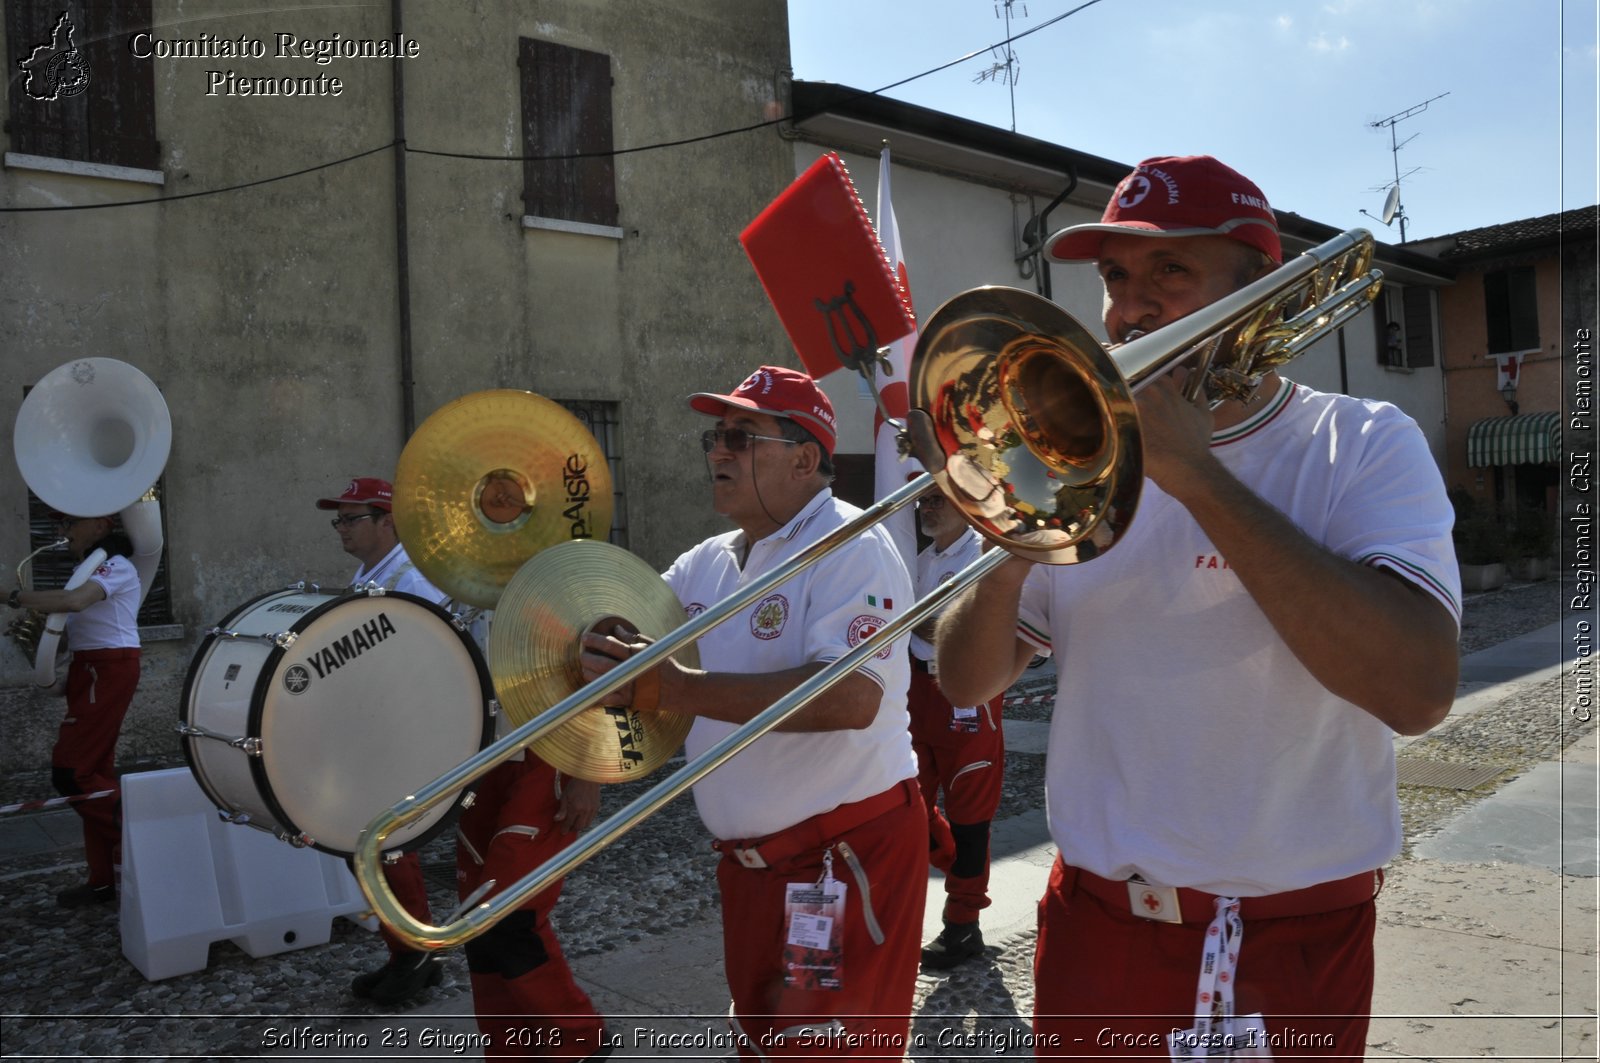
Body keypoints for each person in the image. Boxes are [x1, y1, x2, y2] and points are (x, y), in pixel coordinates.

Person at [933, 156, 1462, 1058]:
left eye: (1169, 272)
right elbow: (962, 676)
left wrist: (1193, 472)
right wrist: (1014, 537)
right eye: (1114, 277)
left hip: (1295, 941)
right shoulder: (1082, 470)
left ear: (1256, 293)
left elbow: (1417, 691)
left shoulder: (1363, 443)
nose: (1129, 307)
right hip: (1101, 926)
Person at [580, 366, 925, 1058]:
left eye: (742, 437)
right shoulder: (708, 560)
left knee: (820, 1053)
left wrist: (675, 688)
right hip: (754, 871)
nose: (718, 452)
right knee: (763, 1042)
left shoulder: (850, 544)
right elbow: (629, 630)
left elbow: (852, 697)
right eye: (717, 436)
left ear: (805, 459)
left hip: (838, 861)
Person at [319, 476, 609, 1057]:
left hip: (546, 757)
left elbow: (607, 676)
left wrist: (586, 774)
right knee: (480, 924)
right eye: (482, 506)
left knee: (508, 918)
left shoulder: (561, 579)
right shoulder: (461, 581)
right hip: (487, 760)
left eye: (504, 506)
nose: (490, 517)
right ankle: (510, 1049)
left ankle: (581, 1042)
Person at [316, 476, 448, 1007]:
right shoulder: (372, 574)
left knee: (383, 846)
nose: (341, 529)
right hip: (375, 726)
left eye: (352, 518)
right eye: (339, 519)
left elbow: (430, 660)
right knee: (372, 846)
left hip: (400, 730)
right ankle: (413, 952)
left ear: (388, 520)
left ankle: (413, 955)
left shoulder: (414, 581)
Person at [8, 513, 141, 909]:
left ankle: (138, 839)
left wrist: (11, 597)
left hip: (109, 666)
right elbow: (72, 624)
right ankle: (104, 880)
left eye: (69, 523)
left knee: (71, 772)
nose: (62, 532)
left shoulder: (115, 565)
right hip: (91, 665)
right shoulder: (90, 567)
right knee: (95, 775)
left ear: (101, 525)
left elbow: (73, 602)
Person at [906, 492, 1005, 971]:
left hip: (967, 695)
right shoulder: (920, 559)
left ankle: (963, 925)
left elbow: (966, 629)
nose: (928, 507)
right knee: (907, 805)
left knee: (970, 818)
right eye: (923, 500)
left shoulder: (982, 553)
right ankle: (956, 871)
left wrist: (916, 621)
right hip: (916, 693)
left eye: (939, 500)